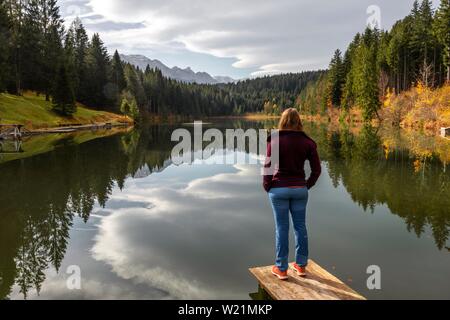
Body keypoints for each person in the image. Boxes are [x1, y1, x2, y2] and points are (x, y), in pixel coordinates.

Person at [263, 108, 322, 280]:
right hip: (300, 190)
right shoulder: (308, 143)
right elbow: (317, 170)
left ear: (282, 121)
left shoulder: (274, 140)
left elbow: (267, 168)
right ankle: (301, 266)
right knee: (300, 227)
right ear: (299, 121)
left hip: (278, 189)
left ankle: (281, 269)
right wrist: (306, 185)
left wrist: (268, 186)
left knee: (281, 228)